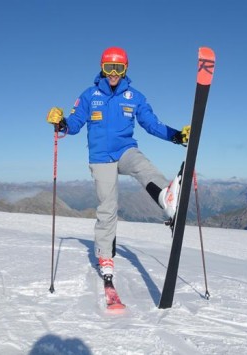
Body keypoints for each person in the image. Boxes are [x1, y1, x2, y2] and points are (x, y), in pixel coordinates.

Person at [46, 46, 189, 278]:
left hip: (124, 150)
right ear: (102, 68)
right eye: (108, 67)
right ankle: (104, 256)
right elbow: (74, 124)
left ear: (125, 70)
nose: (113, 73)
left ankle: (166, 196)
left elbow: (152, 124)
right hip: (101, 158)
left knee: (141, 165)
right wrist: (61, 123)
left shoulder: (135, 98)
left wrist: (176, 136)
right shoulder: (89, 96)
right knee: (108, 207)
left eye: (118, 68)